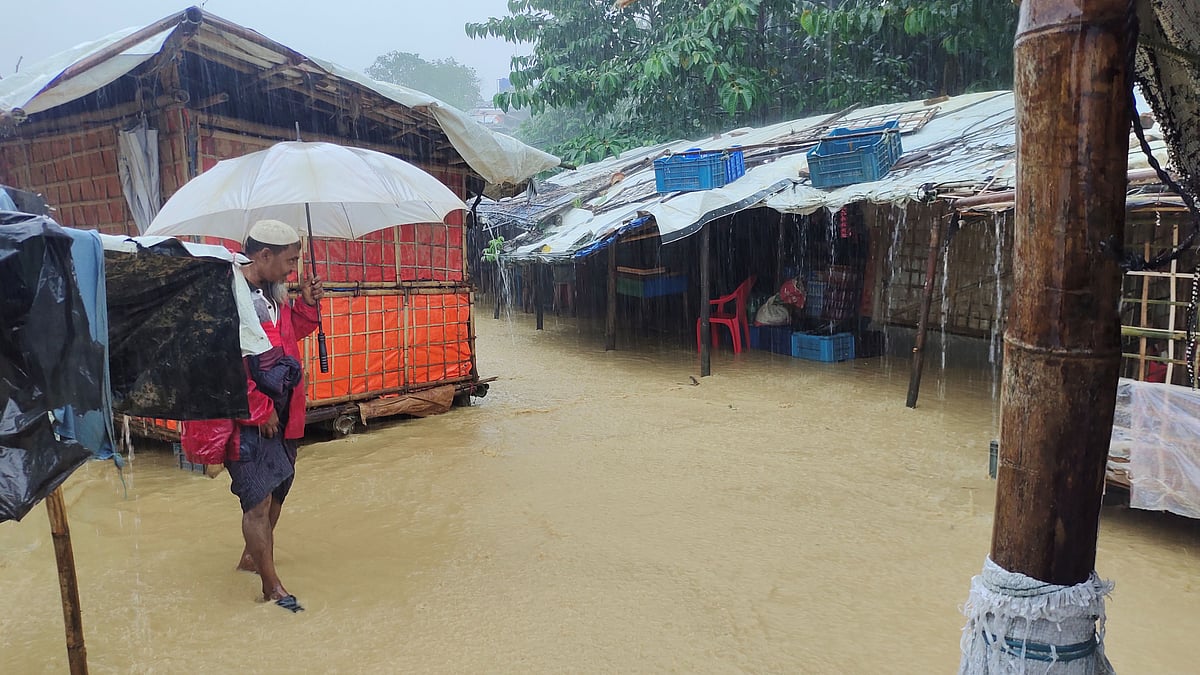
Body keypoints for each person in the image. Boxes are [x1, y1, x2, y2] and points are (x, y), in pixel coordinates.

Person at [187, 219, 323, 612]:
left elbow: (285, 338)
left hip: (283, 412)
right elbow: (224, 364)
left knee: (279, 489)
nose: (293, 269)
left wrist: (307, 305)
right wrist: (260, 409)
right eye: (290, 261)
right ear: (264, 255)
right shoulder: (229, 298)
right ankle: (271, 587)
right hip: (247, 418)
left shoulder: (271, 294)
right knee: (257, 502)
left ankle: (252, 559)